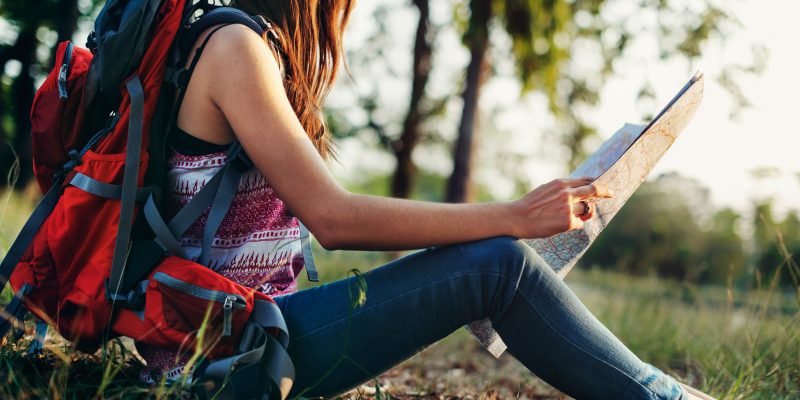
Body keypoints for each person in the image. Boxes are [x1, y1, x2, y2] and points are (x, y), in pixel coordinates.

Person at [137, 1, 716, 399]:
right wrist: (514, 216)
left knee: (498, 258)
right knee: (499, 265)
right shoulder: (234, 46)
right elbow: (333, 218)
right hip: (226, 353)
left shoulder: (232, 40)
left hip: (243, 334)